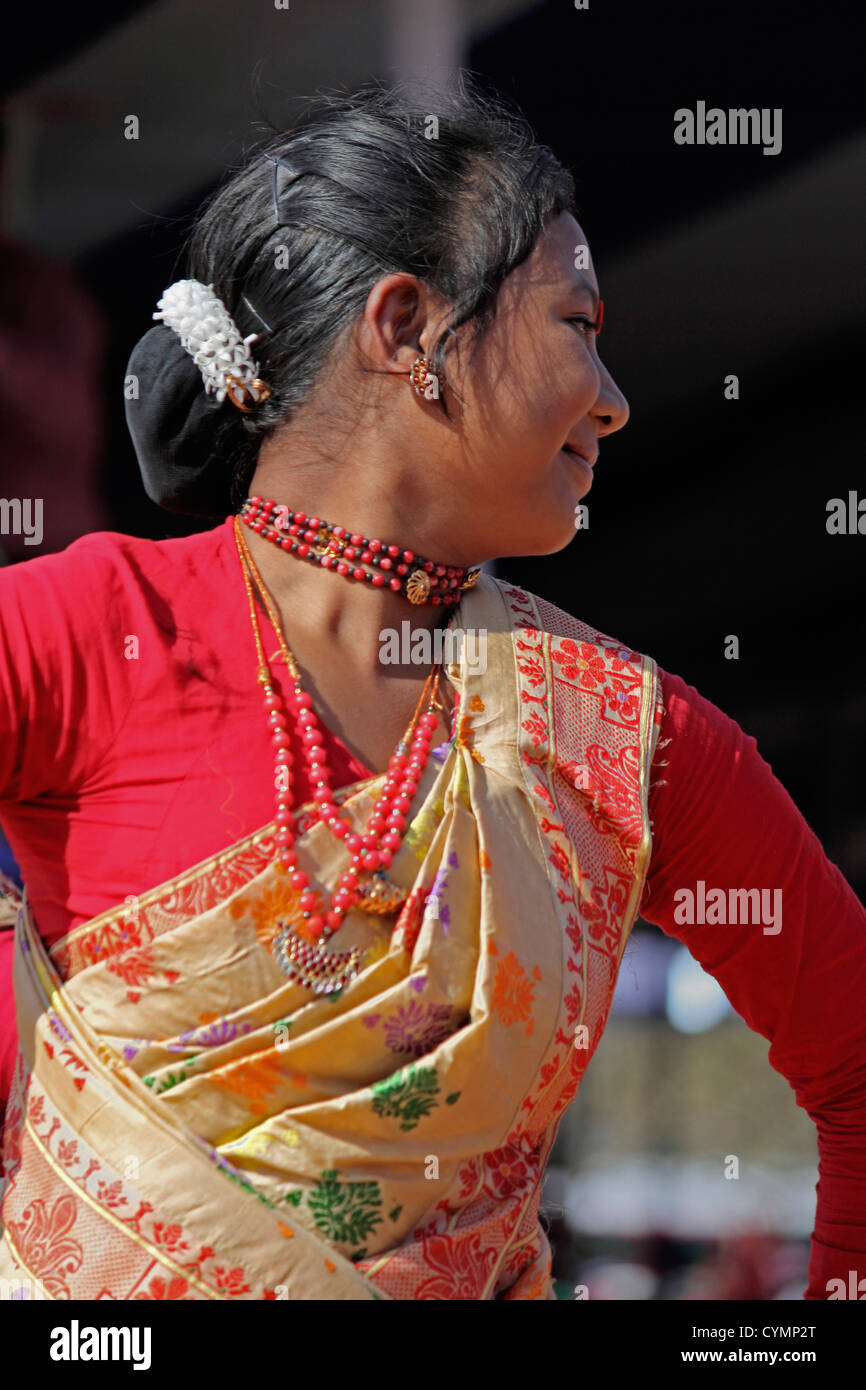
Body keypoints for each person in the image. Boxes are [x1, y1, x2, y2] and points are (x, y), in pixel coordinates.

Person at [0, 74, 864, 1302]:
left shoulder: (625, 733)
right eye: (577, 324)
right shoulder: (88, 633)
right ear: (404, 327)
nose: (614, 400)